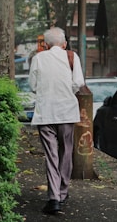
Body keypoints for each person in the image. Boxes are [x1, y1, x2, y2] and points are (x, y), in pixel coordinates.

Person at [28, 27, 85, 215]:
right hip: (67, 112)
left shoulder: (38, 59)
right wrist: (67, 93)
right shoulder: (72, 57)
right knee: (66, 151)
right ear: (65, 43)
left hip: (45, 113)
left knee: (51, 155)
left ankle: (53, 199)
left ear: (45, 44)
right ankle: (62, 191)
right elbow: (78, 83)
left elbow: (33, 85)